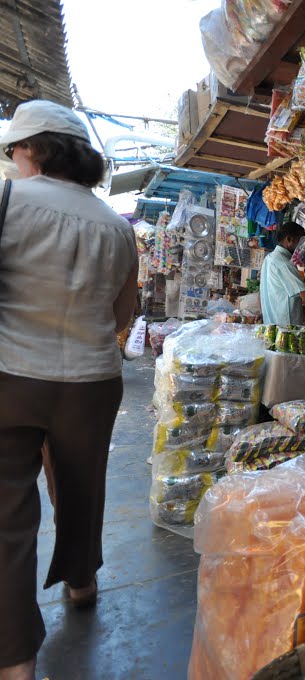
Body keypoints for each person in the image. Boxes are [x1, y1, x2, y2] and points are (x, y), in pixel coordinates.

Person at [0, 100, 139, 680]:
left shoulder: (8, 202)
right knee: (82, 485)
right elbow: (123, 311)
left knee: (6, 520)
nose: (10, 160)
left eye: (11, 151)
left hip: (11, 376)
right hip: (91, 380)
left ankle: (15, 661)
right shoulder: (118, 225)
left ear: (32, 148)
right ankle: (81, 581)